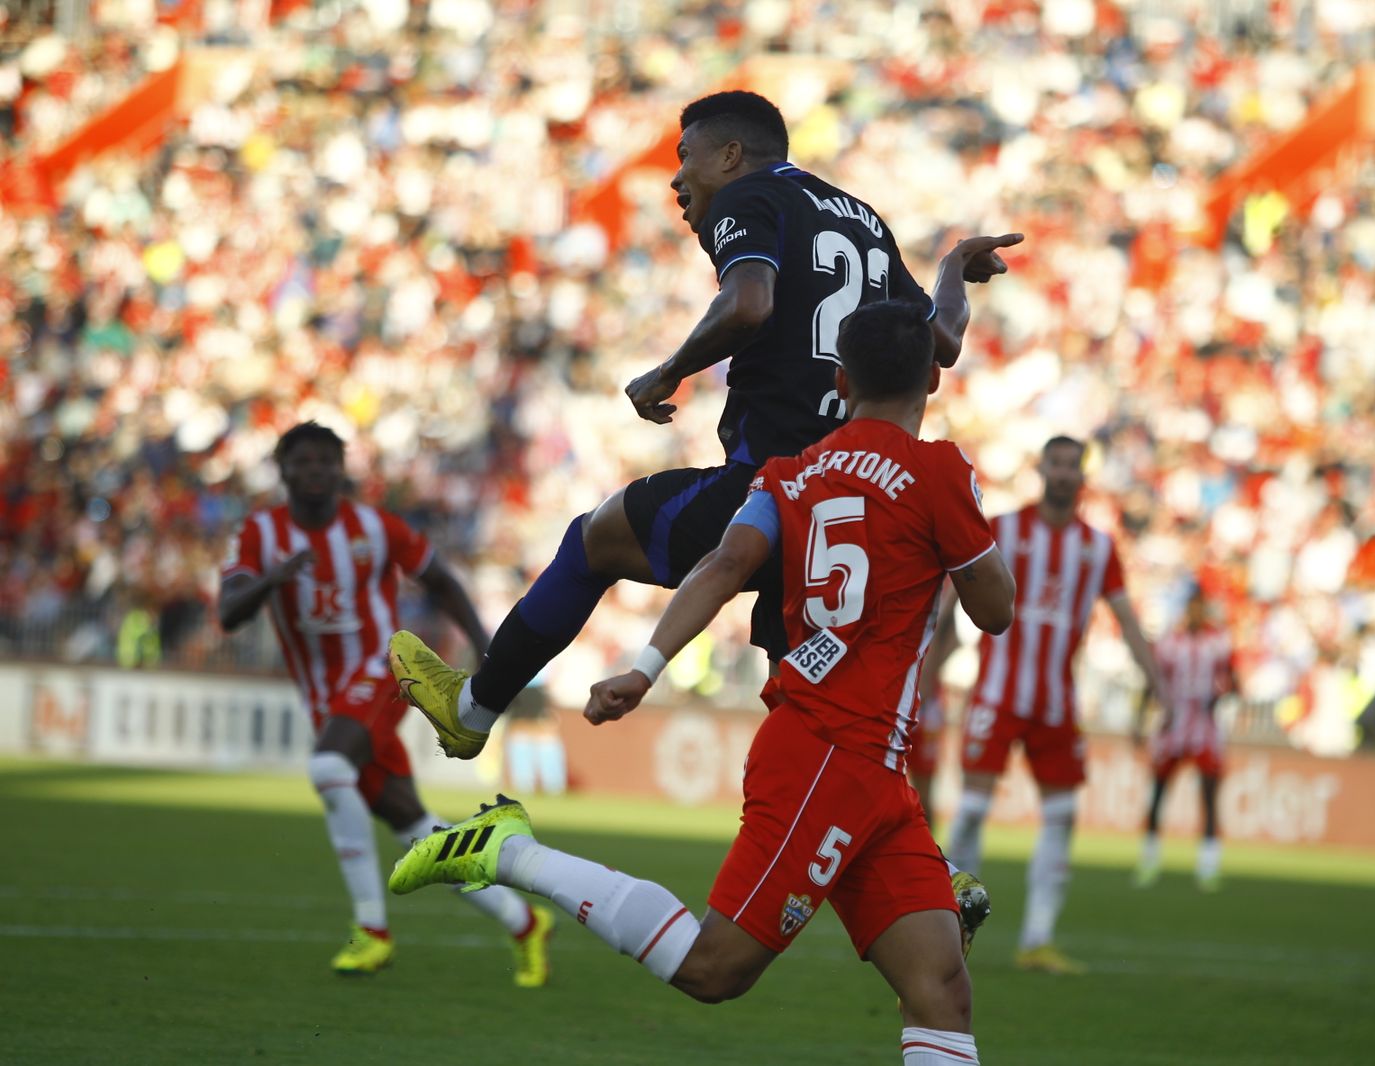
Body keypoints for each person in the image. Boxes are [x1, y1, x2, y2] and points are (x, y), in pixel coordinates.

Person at [389, 301, 1015, 1066]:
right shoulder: (941, 470)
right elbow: (996, 610)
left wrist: (645, 666)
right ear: (931, 378)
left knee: (941, 987)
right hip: (832, 754)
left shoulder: (790, 473)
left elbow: (722, 566)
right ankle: (509, 851)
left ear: (842, 380)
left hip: (866, 766)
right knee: (714, 969)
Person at [386, 89, 1021, 761]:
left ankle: (474, 708)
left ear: (731, 154)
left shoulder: (749, 198)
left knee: (596, 538)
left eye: (685, 157)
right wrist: (953, 269)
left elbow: (749, 302)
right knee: (817, 724)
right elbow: (942, 342)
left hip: (775, 485)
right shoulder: (863, 218)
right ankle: (912, 863)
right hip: (854, 504)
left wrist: (669, 370)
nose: (675, 178)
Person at [218, 422, 553, 984]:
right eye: (305, 461)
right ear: (283, 469)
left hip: (383, 668)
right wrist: (272, 578)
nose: (318, 470)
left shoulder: (375, 527)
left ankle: (372, 931)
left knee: (328, 766)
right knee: (415, 828)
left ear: (341, 469)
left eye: (329, 460)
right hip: (327, 699)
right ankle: (524, 922)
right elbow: (229, 611)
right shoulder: (260, 534)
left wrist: (488, 651)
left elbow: (442, 580)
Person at [931, 435, 1169, 975]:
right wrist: (926, 670)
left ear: (1082, 476)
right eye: (1055, 464)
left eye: (1072, 466)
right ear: (1041, 469)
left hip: (1057, 702)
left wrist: (1159, 685)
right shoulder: (1005, 530)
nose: (1063, 474)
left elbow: (1128, 621)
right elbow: (949, 600)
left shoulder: (1098, 548)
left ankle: (1038, 940)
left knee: (1061, 818)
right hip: (997, 693)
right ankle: (948, 925)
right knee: (970, 811)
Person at [1131, 587, 1238, 890]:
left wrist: (1220, 697)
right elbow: (1152, 681)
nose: (1195, 613)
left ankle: (1208, 865)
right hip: (1173, 726)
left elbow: (1233, 679)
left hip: (1204, 727)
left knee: (1208, 795)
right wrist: (1140, 720)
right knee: (1158, 793)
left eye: (1199, 607)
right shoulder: (1169, 643)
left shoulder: (1218, 641)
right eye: (1191, 607)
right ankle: (1149, 860)